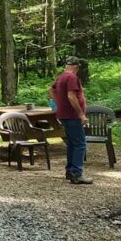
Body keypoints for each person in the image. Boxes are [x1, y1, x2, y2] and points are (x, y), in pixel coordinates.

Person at [48, 56, 93, 185]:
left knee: (72, 143)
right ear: (77, 67)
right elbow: (71, 96)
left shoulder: (61, 77)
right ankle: (77, 173)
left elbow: (51, 90)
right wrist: (81, 115)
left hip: (63, 115)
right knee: (80, 143)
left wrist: (59, 103)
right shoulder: (72, 78)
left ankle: (70, 171)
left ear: (67, 66)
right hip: (72, 116)